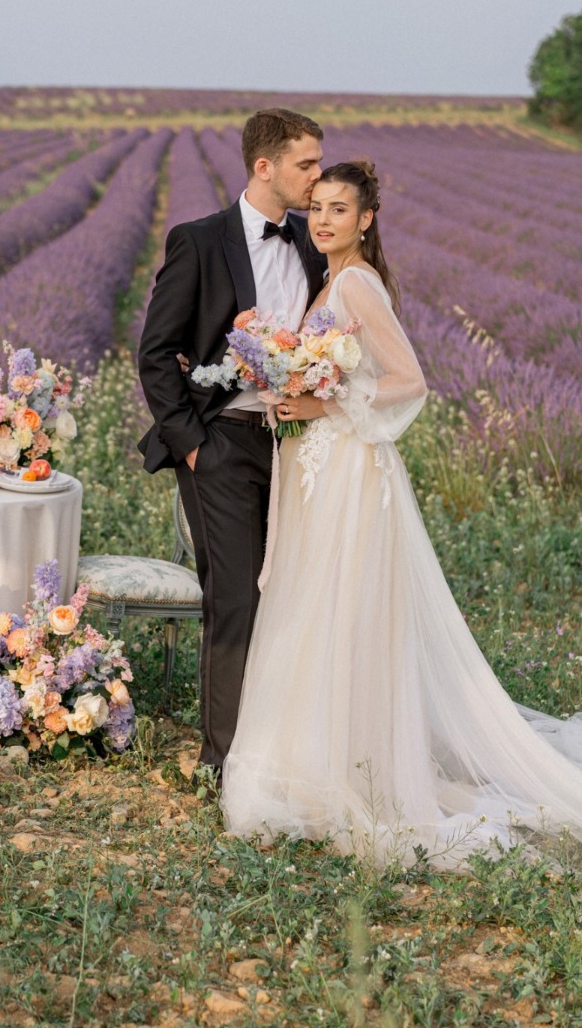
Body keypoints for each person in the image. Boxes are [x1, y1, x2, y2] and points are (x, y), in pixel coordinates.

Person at [221, 160, 582, 868]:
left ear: (366, 220)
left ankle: (348, 768)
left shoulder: (355, 282)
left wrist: (322, 403)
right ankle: (328, 756)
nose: (323, 220)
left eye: (339, 210)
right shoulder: (331, 281)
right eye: (316, 207)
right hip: (319, 467)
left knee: (339, 606)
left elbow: (408, 379)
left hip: (350, 470)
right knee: (318, 605)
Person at [138, 109, 326, 772]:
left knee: (293, 598)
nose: (316, 177)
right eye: (306, 164)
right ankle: (225, 764)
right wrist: (192, 443)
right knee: (237, 597)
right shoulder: (199, 240)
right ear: (263, 166)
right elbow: (156, 351)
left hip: (300, 445)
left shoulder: (313, 242)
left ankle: (281, 748)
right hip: (223, 442)